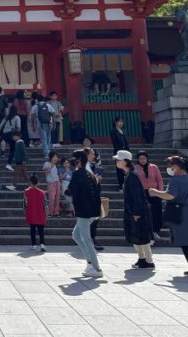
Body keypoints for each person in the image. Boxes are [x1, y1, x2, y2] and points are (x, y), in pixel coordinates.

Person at [66, 148, 102, 278]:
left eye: (74, 158)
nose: (72, 161)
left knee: (87, 240)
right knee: (76, 235)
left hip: (84, 212)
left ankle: (96, 268)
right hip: (92, 211)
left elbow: (68, 191)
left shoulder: (77, 174)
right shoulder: (89, 174)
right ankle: (90, 262)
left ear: (79, 160)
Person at [115, 150, 154, 269]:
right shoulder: (129, 174)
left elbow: (138, 195)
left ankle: (149, 260)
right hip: (131, 210)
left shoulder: (132, 175)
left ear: (125, 161)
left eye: (118, 159)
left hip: (138, 211)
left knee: (142, 236)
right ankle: (142, 259)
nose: (116, 161)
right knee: (135, 236)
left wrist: (137, 212)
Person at [135, 150, 165, 241]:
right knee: (145, 213)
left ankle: (155, 231)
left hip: (155, 192)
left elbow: (159, 179)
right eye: (140, 158)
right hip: (142, 193)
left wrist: (161, 192)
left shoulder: (154, 167)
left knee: (156, 212)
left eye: (144, 158)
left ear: (147, 158)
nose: (142, 160)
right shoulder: (135, 168)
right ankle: (146, 232)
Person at [24, 173, 47, 252]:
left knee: (32, 229)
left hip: (31, 212)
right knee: (41, 230)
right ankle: (42, 244)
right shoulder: (42, 192)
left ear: (30, 182)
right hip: (40, 213)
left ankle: (33, 245)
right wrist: (46, 213)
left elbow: (25, 204)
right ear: (38, 182)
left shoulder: (26, 192)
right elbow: (45, 204)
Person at [0, 105, 21, 171]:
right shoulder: (17, 117)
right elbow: (18, 127)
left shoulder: (7, 117)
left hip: (4, 135)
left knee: (12, 149)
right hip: (11, 135)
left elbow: (1, 126)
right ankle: (9, 164)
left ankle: (11, 161)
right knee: (12, 150)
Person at [110, 118, 130, 190]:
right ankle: (121, 185)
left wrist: (128, 152)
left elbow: (126, 143)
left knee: (127, 168)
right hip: (118, 152)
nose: (121, 123)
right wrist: (120, 151)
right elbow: (115, 143)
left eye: (122, 121)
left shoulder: (123, 131)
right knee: (119, 169)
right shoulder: (113, 131)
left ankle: (127, 185)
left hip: (125, 153)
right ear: (115, 122)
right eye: (119, 121)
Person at [43, 151, 62, 217]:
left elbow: (58, 175)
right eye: (54, 157)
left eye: (56, 157)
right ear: (51, 157)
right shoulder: (47, 164)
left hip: (57, 182)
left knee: (57, 198)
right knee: (52, 198)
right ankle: (50, 213)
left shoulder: (57, 165)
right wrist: (51, 165)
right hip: (51, 182)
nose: (56, 158)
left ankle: (56, 213)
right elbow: (46, 173)